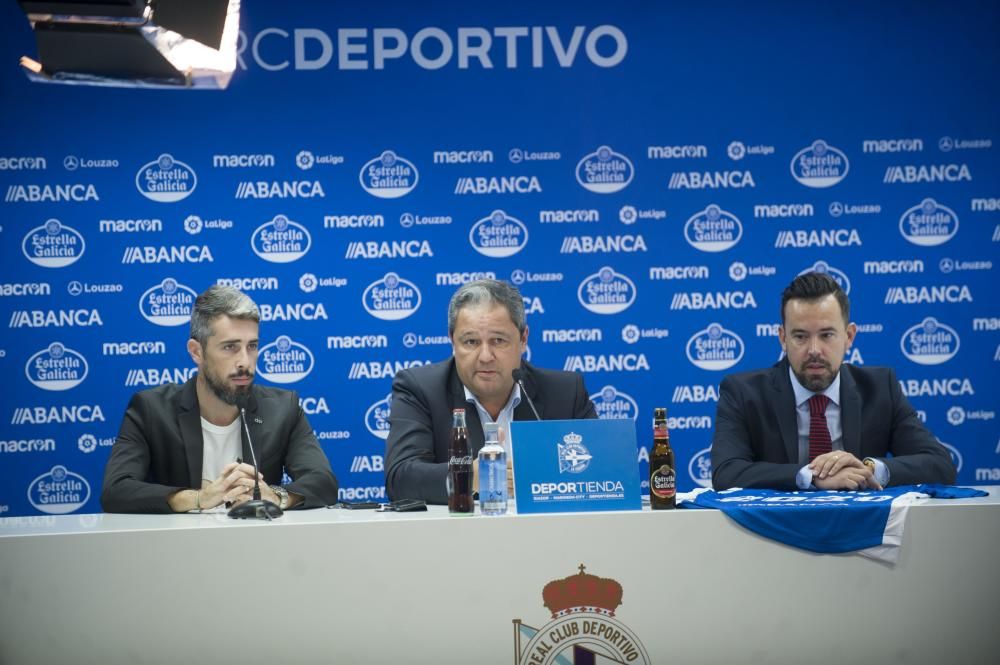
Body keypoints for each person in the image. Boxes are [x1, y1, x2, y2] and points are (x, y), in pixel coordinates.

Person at [101, 285, 338, 513]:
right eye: (230, 347)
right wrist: (198, 498)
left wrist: (276, 497)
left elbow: (323, 482)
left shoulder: (282, 408)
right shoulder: (152, 410)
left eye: (252, 346)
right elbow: (116, 490)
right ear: (197, 351)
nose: (245, 361)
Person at [711, 272, 955, 491]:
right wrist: (810, 476)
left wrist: (868, 469)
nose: (814, 350)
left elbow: (940, 465)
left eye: (827, 335)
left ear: (849, 336)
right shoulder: (743, 393)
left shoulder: (881, 388)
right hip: (774, 533)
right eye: (800, 336)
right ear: (783, 338)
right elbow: (727, 472)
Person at [385, 279, 597, 503]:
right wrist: (469, 476)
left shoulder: (565, 393)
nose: (485, 356)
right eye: (471, 342)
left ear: (523, 339)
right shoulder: (421, 389)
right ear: (452, 341)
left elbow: (601, 471)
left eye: (498, 340)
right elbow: (400, 480)